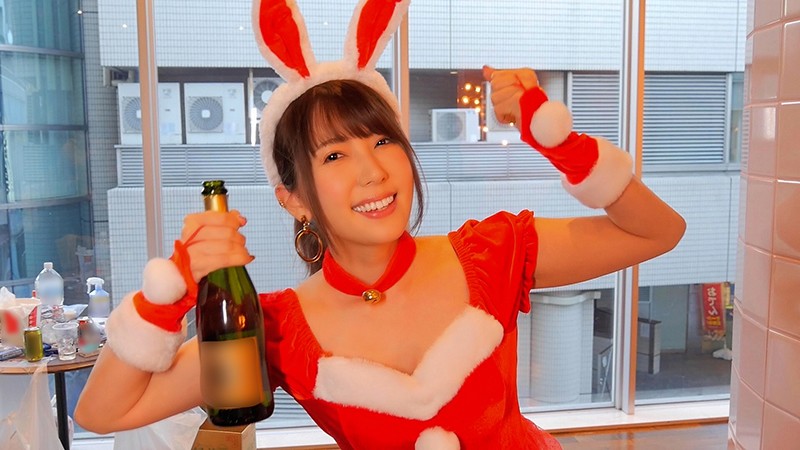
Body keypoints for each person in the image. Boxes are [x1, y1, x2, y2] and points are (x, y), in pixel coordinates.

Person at [75, 1, 685, 448]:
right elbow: (103, 413)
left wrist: (563, 146)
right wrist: (165, 298)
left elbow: (658, 231)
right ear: (294, 199)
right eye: (334, 156)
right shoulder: (279, 328)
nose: (373, 171)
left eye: (382, 141)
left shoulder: (489, 254)